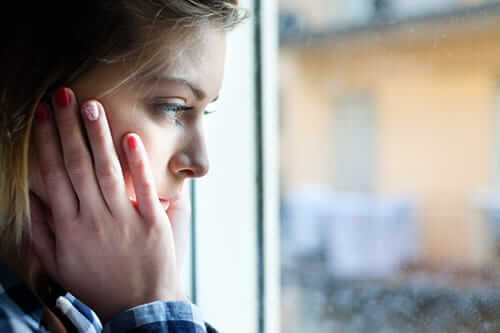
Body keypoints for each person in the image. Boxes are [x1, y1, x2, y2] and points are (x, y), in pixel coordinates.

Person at [0, 1, 246, 332]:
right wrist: (150, 303)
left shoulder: (76, 308)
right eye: (173, 107)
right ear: (25, 96)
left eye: (206, 112)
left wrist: (163, 296)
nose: (200, 164)